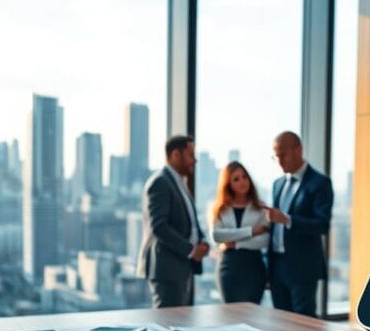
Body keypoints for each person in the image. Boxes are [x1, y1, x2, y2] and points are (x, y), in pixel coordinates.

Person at [136, 135, 209, 307]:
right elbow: (159, 227)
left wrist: (203, 242)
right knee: (168, 327)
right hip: (167, 270)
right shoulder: (160, 182)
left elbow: (190, 221)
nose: (195, 160)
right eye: (191, 155)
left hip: (182, 268)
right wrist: (192, 250)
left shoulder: (179, 183)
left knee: (182, 326)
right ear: (176, 155)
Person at [266, 131, 333, 317]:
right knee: (280, 322)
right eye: (275, 156)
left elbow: (322, 224)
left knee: (304, 325)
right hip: (277, 265)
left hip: (303, 267)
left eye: (282, 155)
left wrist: (288, 220)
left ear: (298, 150)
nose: (279, 161)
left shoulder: (320, 183)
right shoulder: (277, 184)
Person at [210, 161, 269, 304]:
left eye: (244, 177)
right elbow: (217, 236)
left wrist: (234, 243)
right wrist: (251, 231)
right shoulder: (221, 208)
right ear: (228, 184)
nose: (242, 182)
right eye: (236, 179)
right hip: (228, 268)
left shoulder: (260, 207)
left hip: (253, 267)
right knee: (231, 315)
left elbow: (264, 241)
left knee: (252, 313)